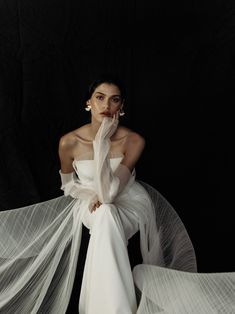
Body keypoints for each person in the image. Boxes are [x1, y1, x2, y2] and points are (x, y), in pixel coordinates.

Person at [0, 75, 234, 314]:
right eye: (99, 98)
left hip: (130, 202)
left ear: (121, 107)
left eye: (114, 100)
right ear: (88, 102)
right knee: (104, 215)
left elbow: (111, 193)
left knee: (107, 213)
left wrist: (102, 139)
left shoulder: (133, 140)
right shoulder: (69, 142)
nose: (106, 106)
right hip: (88, 203)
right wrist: (90, 195)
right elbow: (68, 186)